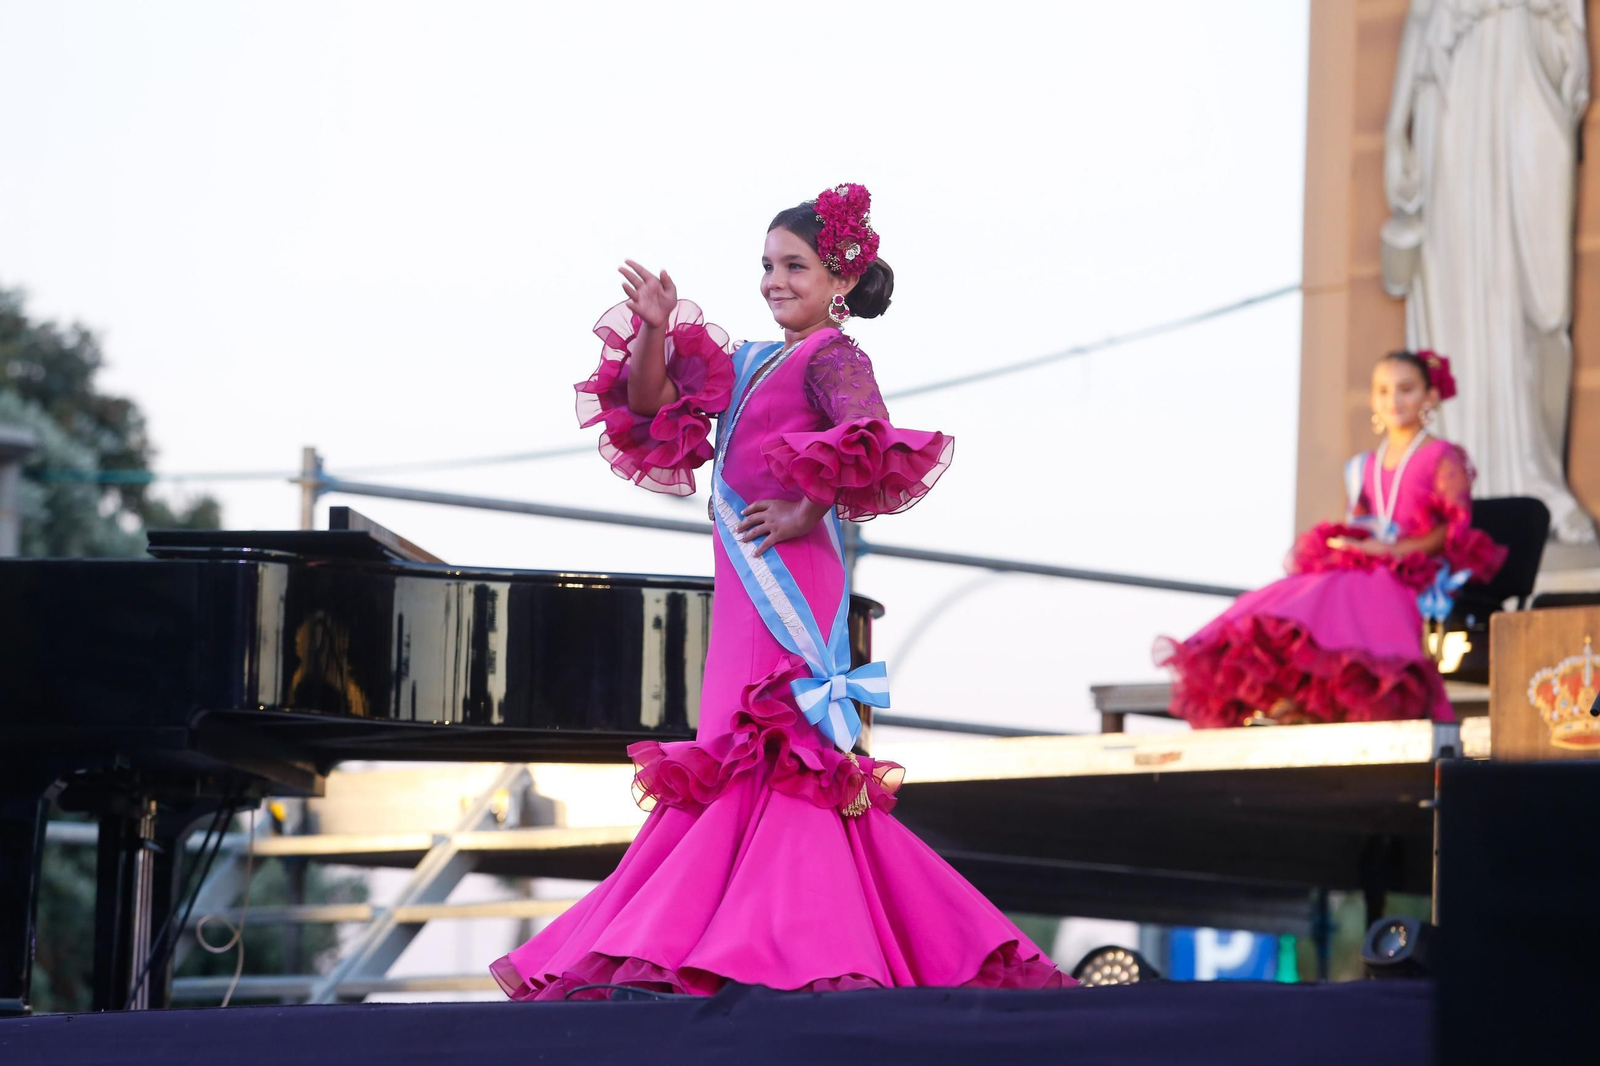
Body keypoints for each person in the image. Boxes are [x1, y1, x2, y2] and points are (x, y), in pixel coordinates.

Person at [490, 183, 1069, 999]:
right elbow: (653, 404)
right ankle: (714, 944)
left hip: (789, 577)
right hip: (743, 583)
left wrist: (807, 506)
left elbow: (867, 437)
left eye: (794, 265)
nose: (774, 280)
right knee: (729, 749)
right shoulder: (754, 361)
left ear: (839, 280)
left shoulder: (835, 357)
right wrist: (655, 327)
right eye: (766, 265)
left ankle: (794, 948)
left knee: (781, 747)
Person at [1155, 350, 1506, 728]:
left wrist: (1391, 551)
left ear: (1429, 397)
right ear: (1373, 400)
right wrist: (1356, 546)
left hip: (1416, 566)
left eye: (1406, 389)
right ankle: (1290, 699)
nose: (1394, 400)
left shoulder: (1441, 455)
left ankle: (1348, 698)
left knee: (1352, 591)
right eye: (1384, 391)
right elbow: (1361, 520)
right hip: (1369, 562)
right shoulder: (1363, 465)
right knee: (1303, 591)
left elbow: (1451, 531)